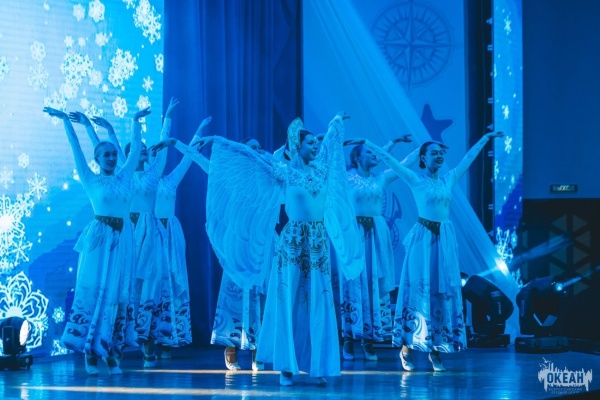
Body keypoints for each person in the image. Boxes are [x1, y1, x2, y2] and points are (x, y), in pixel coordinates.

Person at [195, 113, 363, 386]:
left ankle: (318, 365)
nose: (315, 146)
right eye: (310, 143)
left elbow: (331, 144)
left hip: (318, 243)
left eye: (316, 143)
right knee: (288, 301)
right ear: (298, 146)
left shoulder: (321, 170)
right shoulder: (283, 172)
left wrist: (334, 122)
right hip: (293, 243)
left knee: (319, 300)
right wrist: (217, 140)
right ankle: (286, 367)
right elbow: (251, 159)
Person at [353, 132, 504, 372]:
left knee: (441, 293)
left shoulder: (448, 179)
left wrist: (486, 138)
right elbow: (391, 161)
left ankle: (436, 350)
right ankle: (406, 348)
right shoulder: (415, 179)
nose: (439, 156)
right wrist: (368, 142)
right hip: (422, 242)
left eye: (441, 153)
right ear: (423, 158)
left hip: (444, 242)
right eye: (434, 153)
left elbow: (468, 159)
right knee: (418, 292)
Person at [44, 105, 149, 375]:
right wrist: (66, 122)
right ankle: (90, 353)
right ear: (98, 159)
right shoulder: (90, 179)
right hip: (100, 242)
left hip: (123, 242)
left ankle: (112, 354)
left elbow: (135, 149)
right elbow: (76, 148)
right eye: (106, 155)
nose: (112, 158)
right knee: (95, 294)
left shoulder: (125, 176)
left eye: (114, 154)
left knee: (118, 295)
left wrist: (135, 121)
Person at [151, 133, 269, 371]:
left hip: (261, 243)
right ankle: (231, 345)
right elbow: (200, 161)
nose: (256, 151)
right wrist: (176, 142)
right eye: (250, 147)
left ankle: (258, 348)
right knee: (234, 295)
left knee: (259, 295)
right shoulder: (229, 176)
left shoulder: (267, 176)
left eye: (258, 147)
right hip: (237, 245)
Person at [95, 98, 179, 368]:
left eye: (144, 149)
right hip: (129, 232)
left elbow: (163, 152)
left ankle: (149, 343)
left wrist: (167, 118)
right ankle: (116, 345)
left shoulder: (154, 174)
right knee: (126, 286)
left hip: (150, 234)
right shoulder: (125, 173)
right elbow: (109, 152)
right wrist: (112, 129)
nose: (142, 152)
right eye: (137, 149)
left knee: (151, 285)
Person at [339, 135, 412, 362]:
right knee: (353, 284)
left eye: (374, 153)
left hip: (376, 236)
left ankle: (369, 340)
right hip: (354, 235)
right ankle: (349, 338)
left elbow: (401, 165)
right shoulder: (346, 178)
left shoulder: (381, 178)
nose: (374, 156)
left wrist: (414, 149)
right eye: (368, 153)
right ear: (357, 158)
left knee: (373, 284)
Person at [152, 115, 213, 359]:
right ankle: (149, 338)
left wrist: (198, 130)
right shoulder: (141, 182)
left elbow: (188, 158)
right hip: (151, 236)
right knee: (153, 284)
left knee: (172, 283)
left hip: (170, 235)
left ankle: (168, 338)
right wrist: (166, 121)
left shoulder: (170, 181)